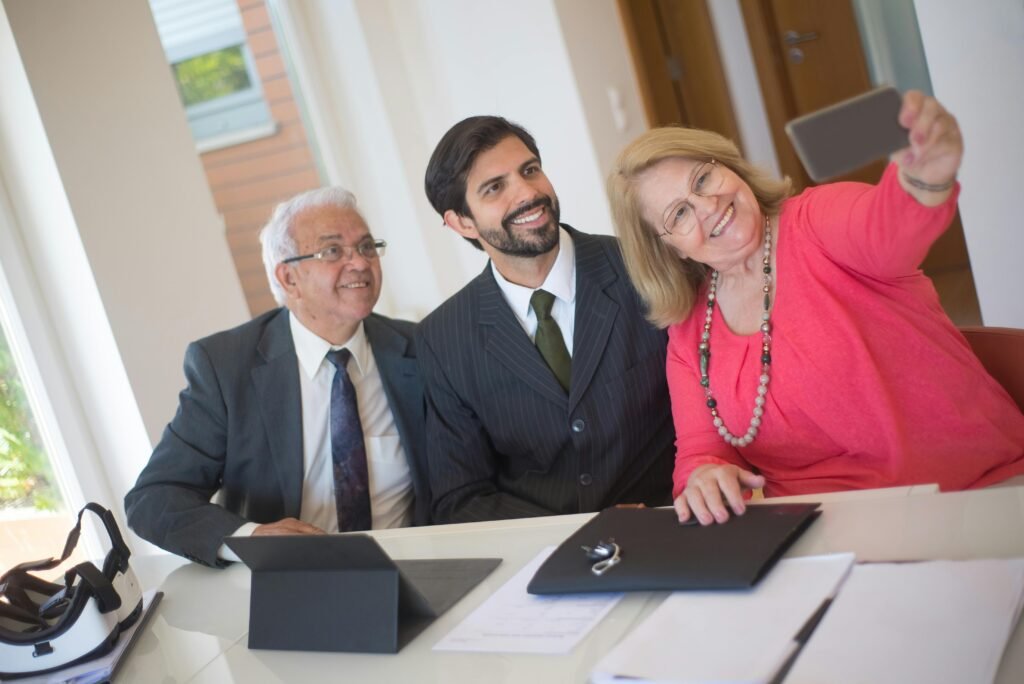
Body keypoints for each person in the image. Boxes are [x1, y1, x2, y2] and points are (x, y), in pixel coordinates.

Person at [607, 90, 1024, 526]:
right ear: (668, 249)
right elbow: (700, 448)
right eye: (679, 214)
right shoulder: (692, 331)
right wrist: (704, 476)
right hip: (823, 528)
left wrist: (925, 178)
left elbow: (889, 229)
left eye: (702, 180)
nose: (708, 206)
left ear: (727, 166)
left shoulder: (817, 222)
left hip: (965, 494)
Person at [125, 187, 429, 567]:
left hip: (410, 569)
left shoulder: (421, 350)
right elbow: (154, 499)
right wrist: (251, 539)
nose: (360, 263)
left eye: (367, 247)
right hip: (284, 581)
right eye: (333, 251)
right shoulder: (226, 367)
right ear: (288, 278)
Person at [417, 115, 675, 524]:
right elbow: (461, 497)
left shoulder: (640, 266)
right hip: (544, 555)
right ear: (461, 222)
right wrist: (575, 533)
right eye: (495, 187)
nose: (528, 192)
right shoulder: (442, 337)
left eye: (530, 170)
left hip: (672, 526)